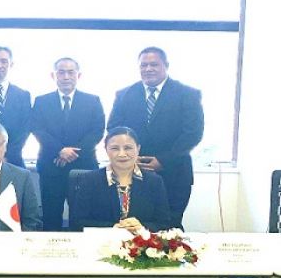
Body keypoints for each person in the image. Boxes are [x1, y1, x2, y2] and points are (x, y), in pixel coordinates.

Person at [107, 46, 204, 229]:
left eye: (154, 64)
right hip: (133, 172)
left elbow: (193, 133)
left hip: (174, 172)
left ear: (165, 65)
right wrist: (131, 156)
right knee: (135, 226)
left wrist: (163, 160)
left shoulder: (188, 94)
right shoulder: (124, 94)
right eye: (144, 65)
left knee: (170, 227)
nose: (148, 69)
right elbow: (113, 128)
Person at [30, 57, 104, 230]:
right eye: (61, 72)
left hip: (83, 167)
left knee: (82, 215)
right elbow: (37, 129)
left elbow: (97, 131)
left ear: (79, 75)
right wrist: (60, 150)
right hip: (51, 167)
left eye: (71, 72)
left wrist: (71, 153)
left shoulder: (92, 101)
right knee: (50, 215)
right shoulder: (42, 101)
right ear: (53, 75)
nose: (66, 76)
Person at [71, 127, 171, 231]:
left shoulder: (154, 182)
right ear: (106, 150)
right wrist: (113, 228)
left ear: (138, 149)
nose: (122, 154)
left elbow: (164, 223)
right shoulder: (90, 180)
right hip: (103, 243)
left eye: (128, 148)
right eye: (115, 148)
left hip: (140, 244)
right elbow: (78, 222)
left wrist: (142, 228)